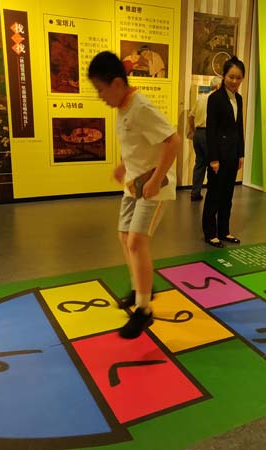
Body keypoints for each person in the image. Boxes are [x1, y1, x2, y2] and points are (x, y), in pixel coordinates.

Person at [87, 51, 181, 338]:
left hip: (154, 186)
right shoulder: (122, 107)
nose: (100, 96)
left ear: (117, 84)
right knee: (124, 236)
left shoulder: (140, 107)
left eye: (100, 89)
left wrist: (155, 180)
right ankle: (141, 287)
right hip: (133, 183)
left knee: (137, 242)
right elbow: (137, 144)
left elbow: (173, 141)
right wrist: (123, 165)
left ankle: (144, 310)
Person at [202, 56, 245, 248]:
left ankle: (224, 230)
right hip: (218, 156)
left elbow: (239, 128)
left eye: (238, 78)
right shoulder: (215, 98)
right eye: (231, 77)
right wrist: (213, 159)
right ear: (224, 76)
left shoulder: (239, 99)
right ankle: (210, 233)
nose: (234, 81)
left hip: (233, 155)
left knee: (228, 195)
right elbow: (211, 131)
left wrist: (241, 154)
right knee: (214, 194)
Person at [187, 76, 220, 201]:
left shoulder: (200, 98)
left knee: (199, 164)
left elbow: (190, 116)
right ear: (218, 86)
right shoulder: (216, 100)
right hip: (209, 134)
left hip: (198, 134)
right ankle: (213, 194)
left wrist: (192, 130)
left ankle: (195, 193)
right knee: (213, 163)